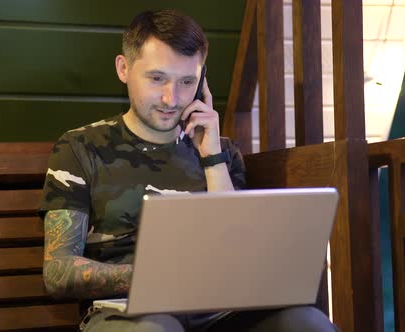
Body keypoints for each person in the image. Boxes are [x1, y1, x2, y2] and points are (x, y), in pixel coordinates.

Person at [38, 9, 338, 332]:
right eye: (157, 79)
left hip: (219, 314)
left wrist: (211, 158)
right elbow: (58, 271)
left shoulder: (223, 153)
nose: (172, 98)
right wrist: (155, 277)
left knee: (307, 323)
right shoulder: (79, 148)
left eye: (186, 82)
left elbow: (238, 256)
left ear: (202, 81)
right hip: (128, 316)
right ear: (123, 69)